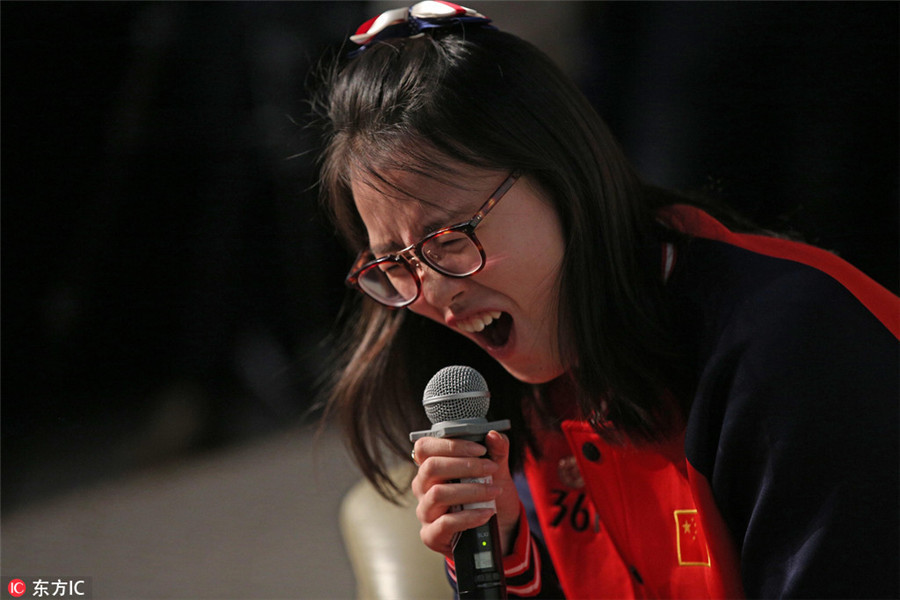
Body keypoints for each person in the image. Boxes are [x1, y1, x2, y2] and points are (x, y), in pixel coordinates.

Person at [312, 2, 899, 598]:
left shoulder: (790, 347)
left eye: (449, 239)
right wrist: (510, 558)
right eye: (395, 263)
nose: (434, 293)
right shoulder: (529, 369)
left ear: (562, 175)